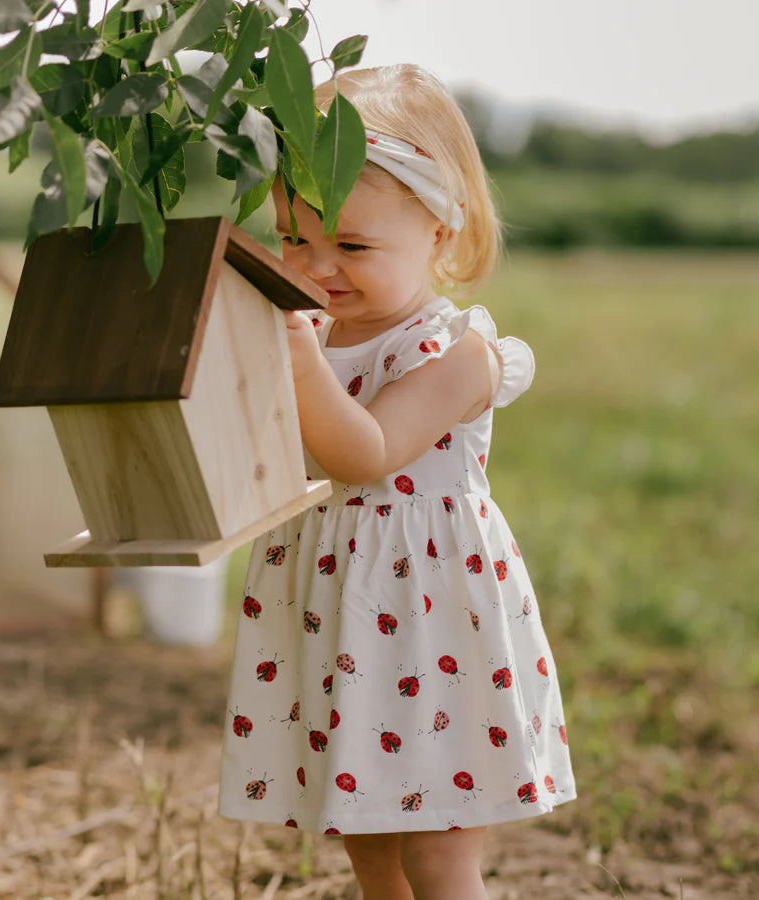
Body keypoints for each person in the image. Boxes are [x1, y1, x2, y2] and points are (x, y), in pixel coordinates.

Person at [218, 64, 575, 899]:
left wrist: (297, 358)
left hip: (429, 627)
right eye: (292, 238)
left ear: (440, 236)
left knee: (438, 855)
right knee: (370, 849)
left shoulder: (458, 354)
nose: (317, 267)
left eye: (352, 244)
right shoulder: (310, 339)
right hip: (338, 616)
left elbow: (367, 451)